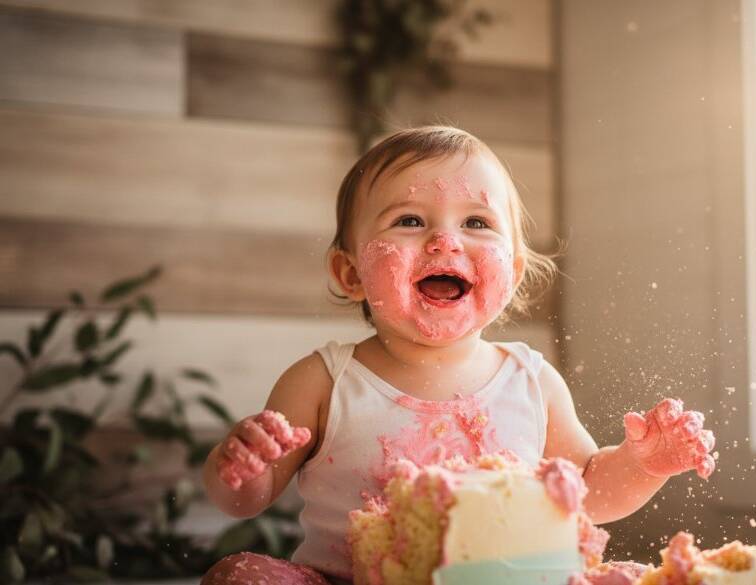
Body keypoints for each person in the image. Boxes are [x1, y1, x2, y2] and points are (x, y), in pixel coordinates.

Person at [200, 126, 716, 585]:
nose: (444, 241)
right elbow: (248, 502)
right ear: (351, 273)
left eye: (476, 223)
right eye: (408, 220)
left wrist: (645, 464)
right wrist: (240, 470)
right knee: (240, 576)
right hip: (347, 579)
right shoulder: (324, 381)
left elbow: (588, 494)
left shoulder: (531, 382)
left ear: (512, 273)